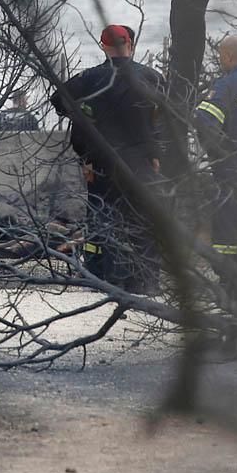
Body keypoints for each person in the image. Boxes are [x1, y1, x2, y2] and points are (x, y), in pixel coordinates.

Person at [50, 24, 163, 294]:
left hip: (101, 162)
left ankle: (105, 277)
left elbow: (59, 101)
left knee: (104, 219)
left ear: (103, 46)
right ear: (130, 45)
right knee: (143, 221)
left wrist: (84, 120)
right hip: (142, 162)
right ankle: (146, 282)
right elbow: (165, 119)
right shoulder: (152, 77)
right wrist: (157, 154)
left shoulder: (90, 78)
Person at [193, 35, 237, 265]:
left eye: (221, 56)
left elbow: (203, 121)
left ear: (228, 56)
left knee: (226, 233)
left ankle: (228, 284)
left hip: (233, 172)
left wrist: (218, 155)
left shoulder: (226, 85)